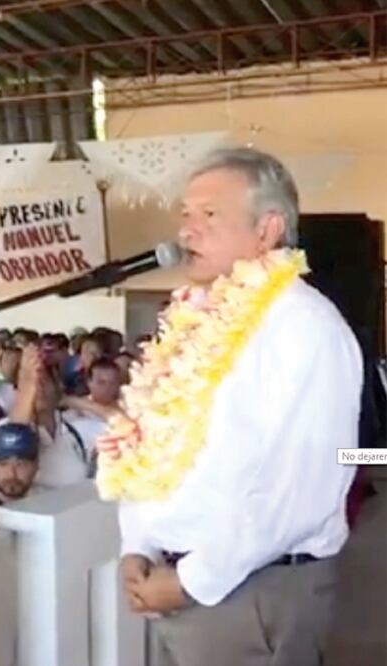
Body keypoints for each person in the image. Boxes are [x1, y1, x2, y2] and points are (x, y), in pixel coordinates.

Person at [106, 148, 362, 666]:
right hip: (176, 582)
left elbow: (303, 490)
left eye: (209, 215)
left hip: (251, 592)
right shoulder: (190, 321)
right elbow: (148, 448)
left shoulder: (304, 327)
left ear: (267, 230)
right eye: (184, 215)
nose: (186, 232)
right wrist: (137, 544)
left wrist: (190, 581)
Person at [6, 346, 88, 488]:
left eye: (43, 382)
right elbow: (17, 436)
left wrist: (74, 401)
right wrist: (28, 380)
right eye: (33, 385)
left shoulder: (73, 429)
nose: (38, 390)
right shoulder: (6, 428)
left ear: (57, 385)